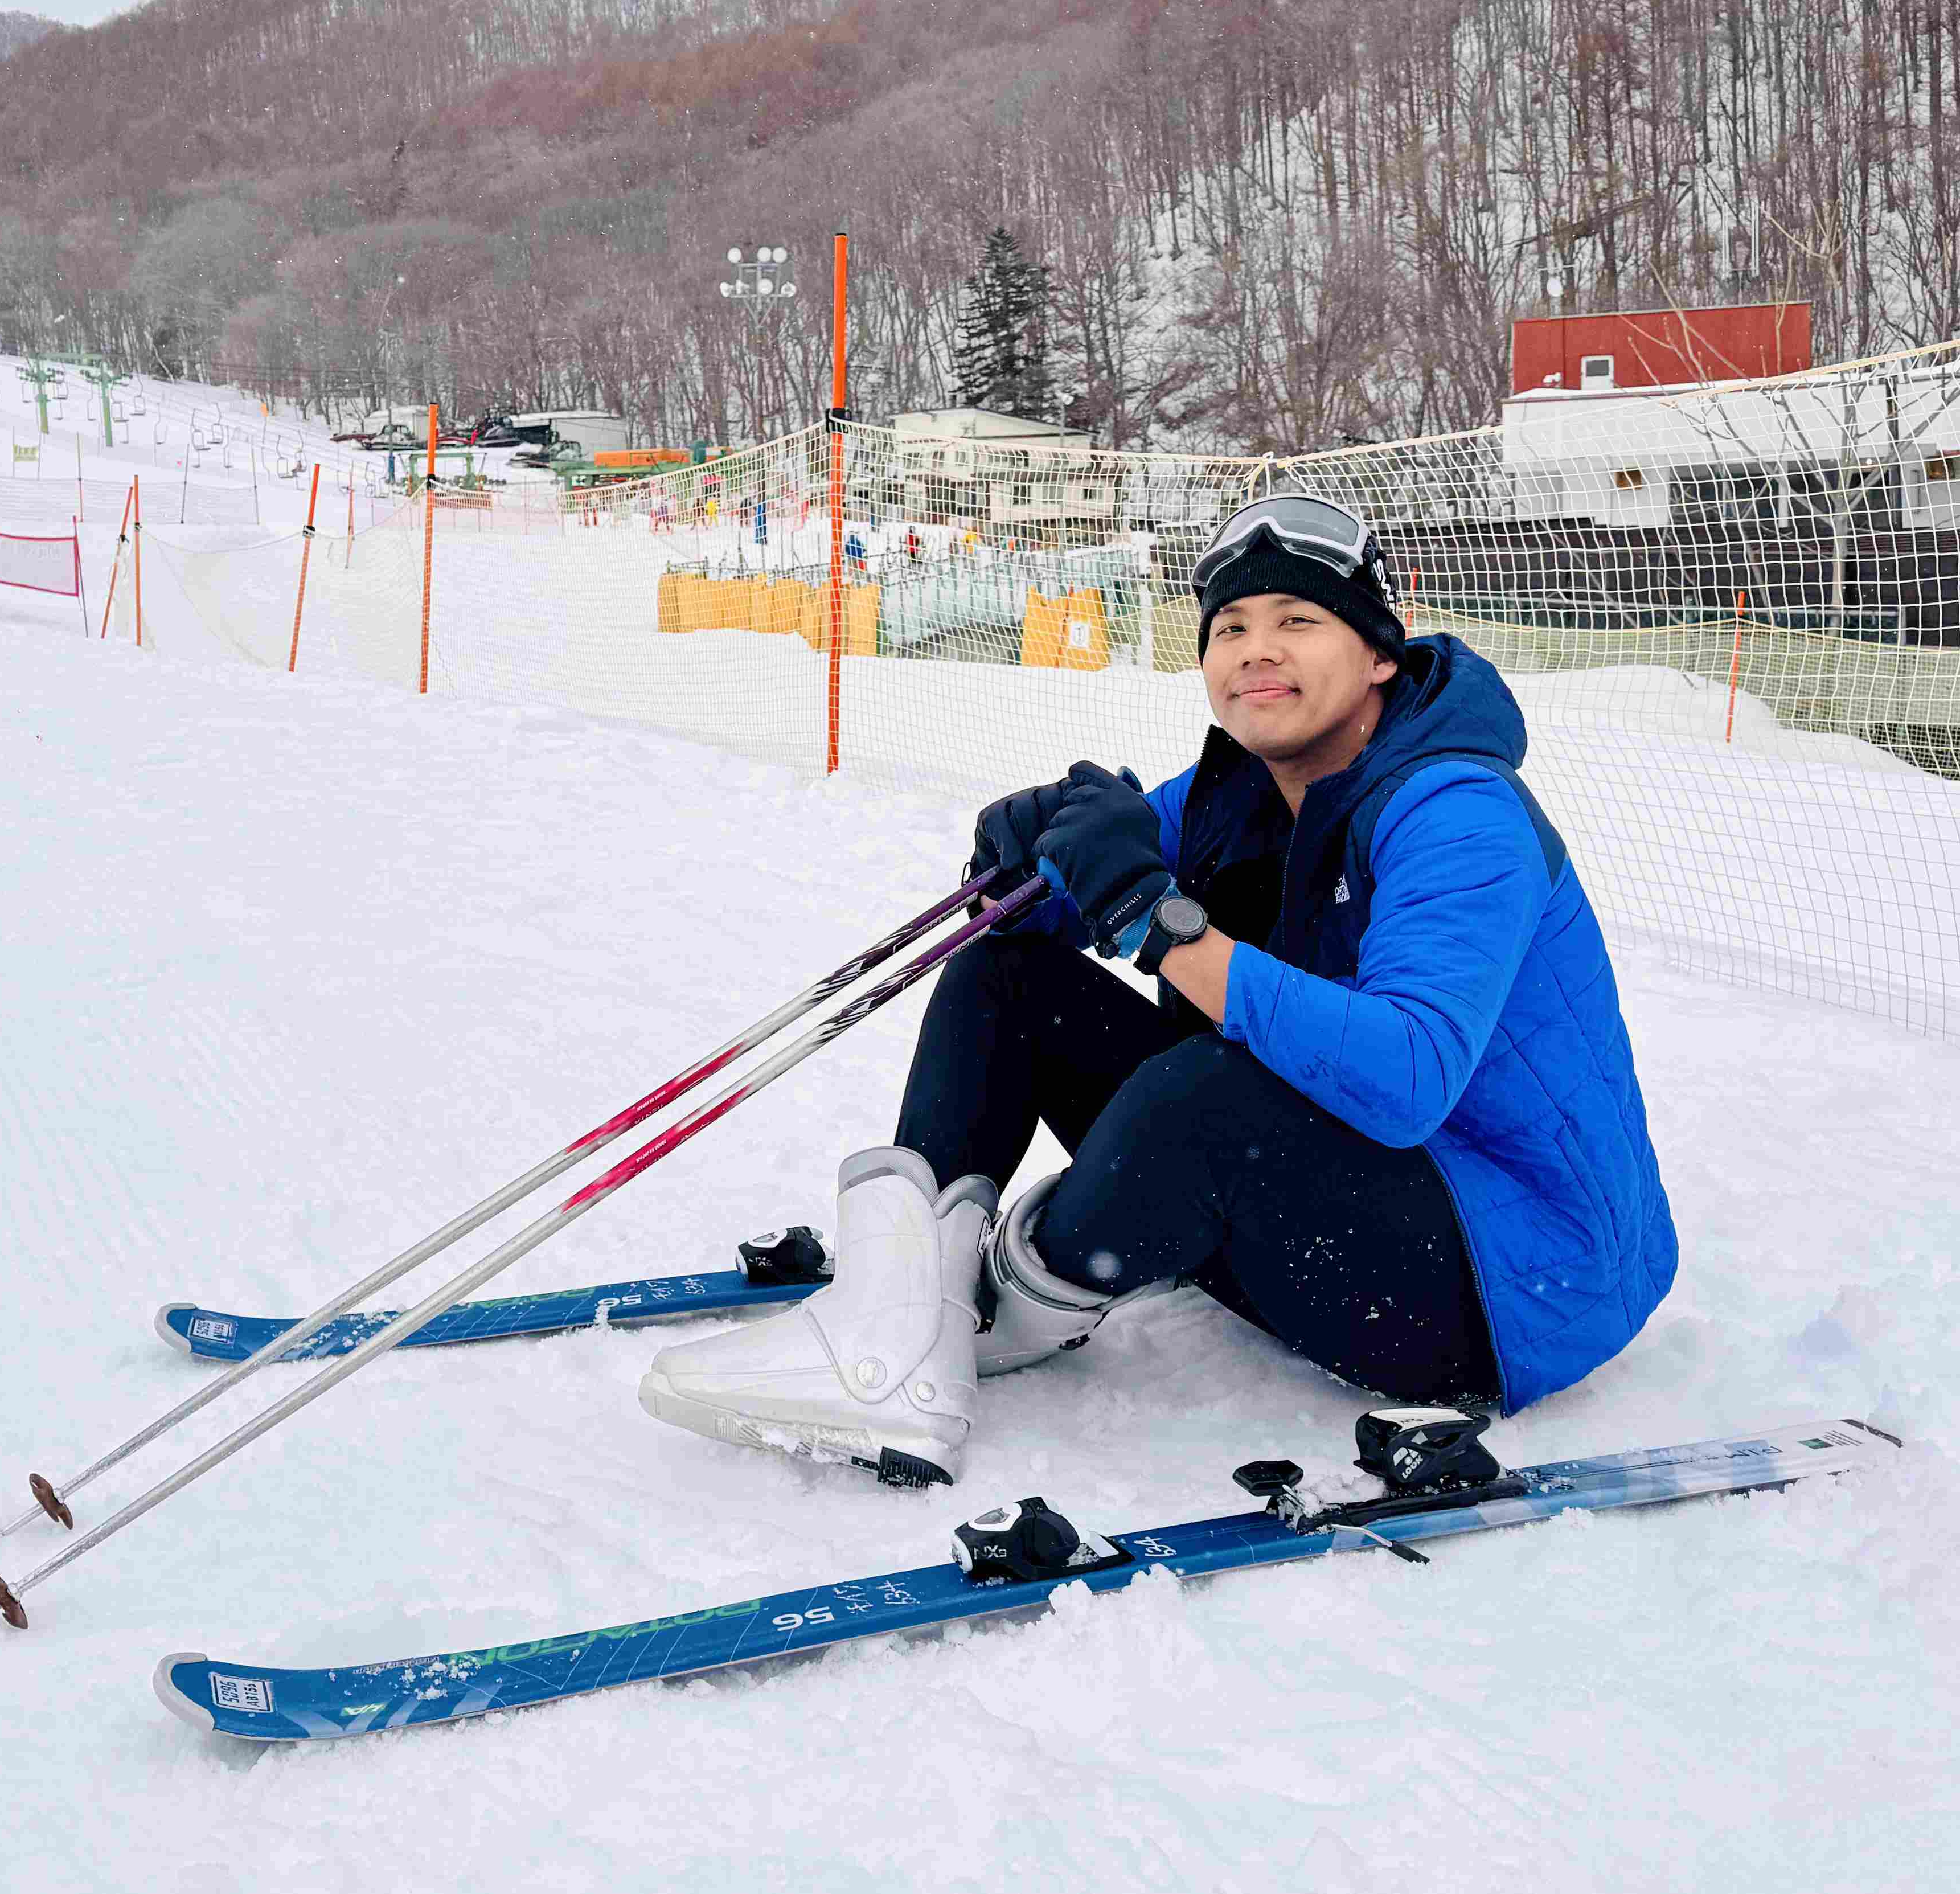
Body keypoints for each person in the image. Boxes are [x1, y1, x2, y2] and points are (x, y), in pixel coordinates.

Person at [641, 494, 1678, 1486]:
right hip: (1360, 1199)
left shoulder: (1456, 810)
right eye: (1229, 626)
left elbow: (1408, 1075)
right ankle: (903, 1306)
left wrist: (1156, 919)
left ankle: (1005, 1300)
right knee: (1008, 976)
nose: (1255, 648)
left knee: (1206, 1087)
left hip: (1510, 1288)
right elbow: (1060, 913)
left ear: (1377, 653)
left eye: (1297, 619)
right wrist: (1024, 862)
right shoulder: (1246, 791)